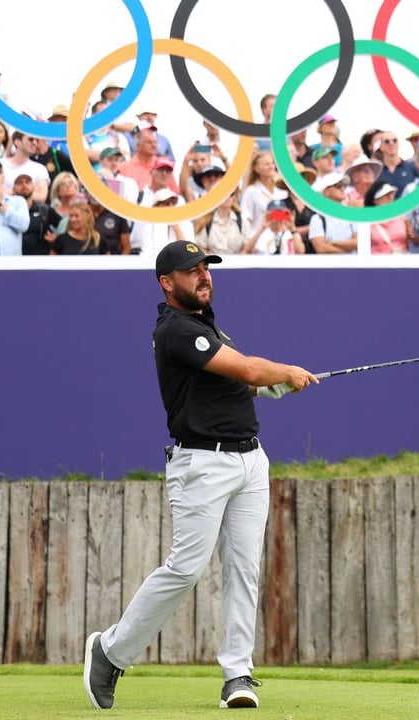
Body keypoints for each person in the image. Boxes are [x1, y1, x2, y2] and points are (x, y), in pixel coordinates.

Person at [83, 240, 317, 712]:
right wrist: (286, 371)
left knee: (244, 568)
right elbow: (250, 367)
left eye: (207, 267)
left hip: (250, 461)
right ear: (167, 283)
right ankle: (110, 652)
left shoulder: (209, 328)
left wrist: (274, 386)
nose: (204, 275)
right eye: (192, 271)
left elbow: (244, 381)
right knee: (186, 569)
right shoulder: (175, 329)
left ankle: (238, 674)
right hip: (201, 465)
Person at [307, 173, 358, 253]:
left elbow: (358, 242)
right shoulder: (317, 219)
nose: (342, 188)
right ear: (326, 192)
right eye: (338, 186)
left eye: (343, 186)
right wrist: (348, 249)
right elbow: (321, 249)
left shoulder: (352, 215)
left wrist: (332, 243)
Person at [14, 170, 61, 255]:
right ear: (13, 188)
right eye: (20, 183)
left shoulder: (44, 210)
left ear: (34, 186)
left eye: (27, 182)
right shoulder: (8, 210)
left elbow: (64, 225)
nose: (24, 185)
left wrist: (56, 239)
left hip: (40, 261)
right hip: (14, 260)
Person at [194, 187, 247, 255]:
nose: (228, 197)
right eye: (224, 194)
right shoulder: (206, 221)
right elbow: (202, 249)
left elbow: (246, 248)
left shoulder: (242, 220)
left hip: (237, 264)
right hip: (214, 264)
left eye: (231, 194)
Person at [2, 132, 50, 203]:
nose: (35, 143)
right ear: (18, 142)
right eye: (31, 139)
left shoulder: (40, 168)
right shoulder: (0, 164)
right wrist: (29, 193)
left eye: (36, 140)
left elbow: (42, 196)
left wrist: (12, 192)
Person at [363, 182, 408, 253]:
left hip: (401, 262)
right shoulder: (366, 222)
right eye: (386, 195)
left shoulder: (401, 218)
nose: (390, 198)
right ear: (375, 201)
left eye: (391, 194)